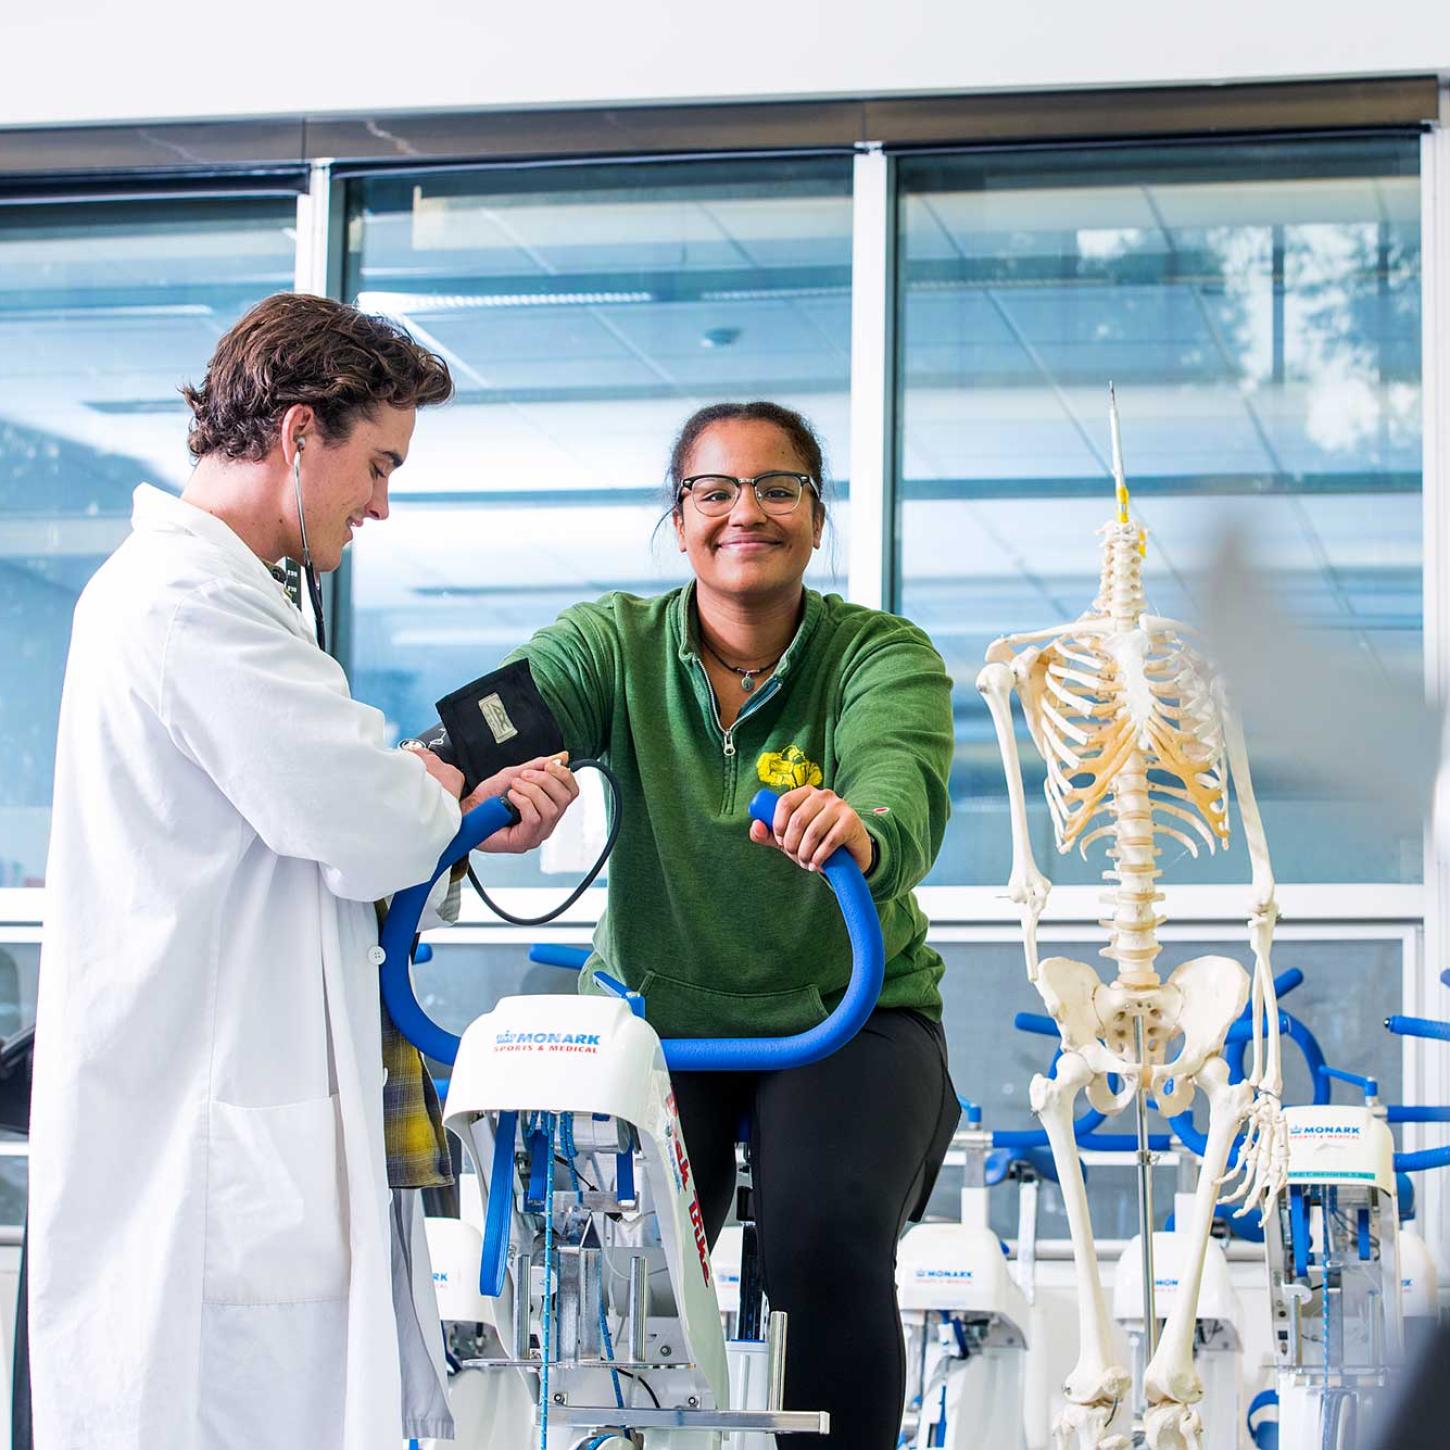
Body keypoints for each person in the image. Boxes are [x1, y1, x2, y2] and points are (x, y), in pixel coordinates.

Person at [26, 293, 577, 1450]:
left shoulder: (230, 597)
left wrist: (435, 803)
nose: (381, 502)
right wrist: (425, 789)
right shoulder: (186, 601)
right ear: (296, 434)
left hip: (232, 1130)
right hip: (201, 1150)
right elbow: (360, 819)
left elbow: (333, 817)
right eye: (377, 465)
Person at [504, 400, 960, 1448]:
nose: (743, 511)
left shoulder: (877, 654)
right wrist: (464, 781)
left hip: (848, 1013)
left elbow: (900, 776)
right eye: (713, 491)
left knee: (822, 1238)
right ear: (679, 521)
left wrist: (863, 824)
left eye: (775, 488)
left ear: (816, 516)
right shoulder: (614, 643)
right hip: (656, 1020)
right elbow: (505, 716)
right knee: (620, 1260)